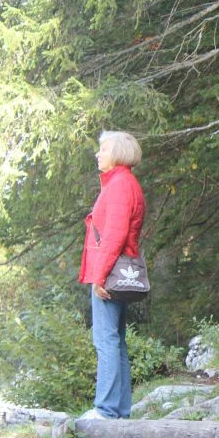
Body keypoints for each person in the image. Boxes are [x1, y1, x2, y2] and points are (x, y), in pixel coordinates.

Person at [78, 131, 146, 419]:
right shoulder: (123, 183)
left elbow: (115, 235)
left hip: (111, 273)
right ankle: (119, 410)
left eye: (103, 148)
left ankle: (106, 410)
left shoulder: (119, 185)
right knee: (115, 342)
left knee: (105, 341)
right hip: (117, 271)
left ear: (117, 152)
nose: (98, 153)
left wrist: (99, 276)